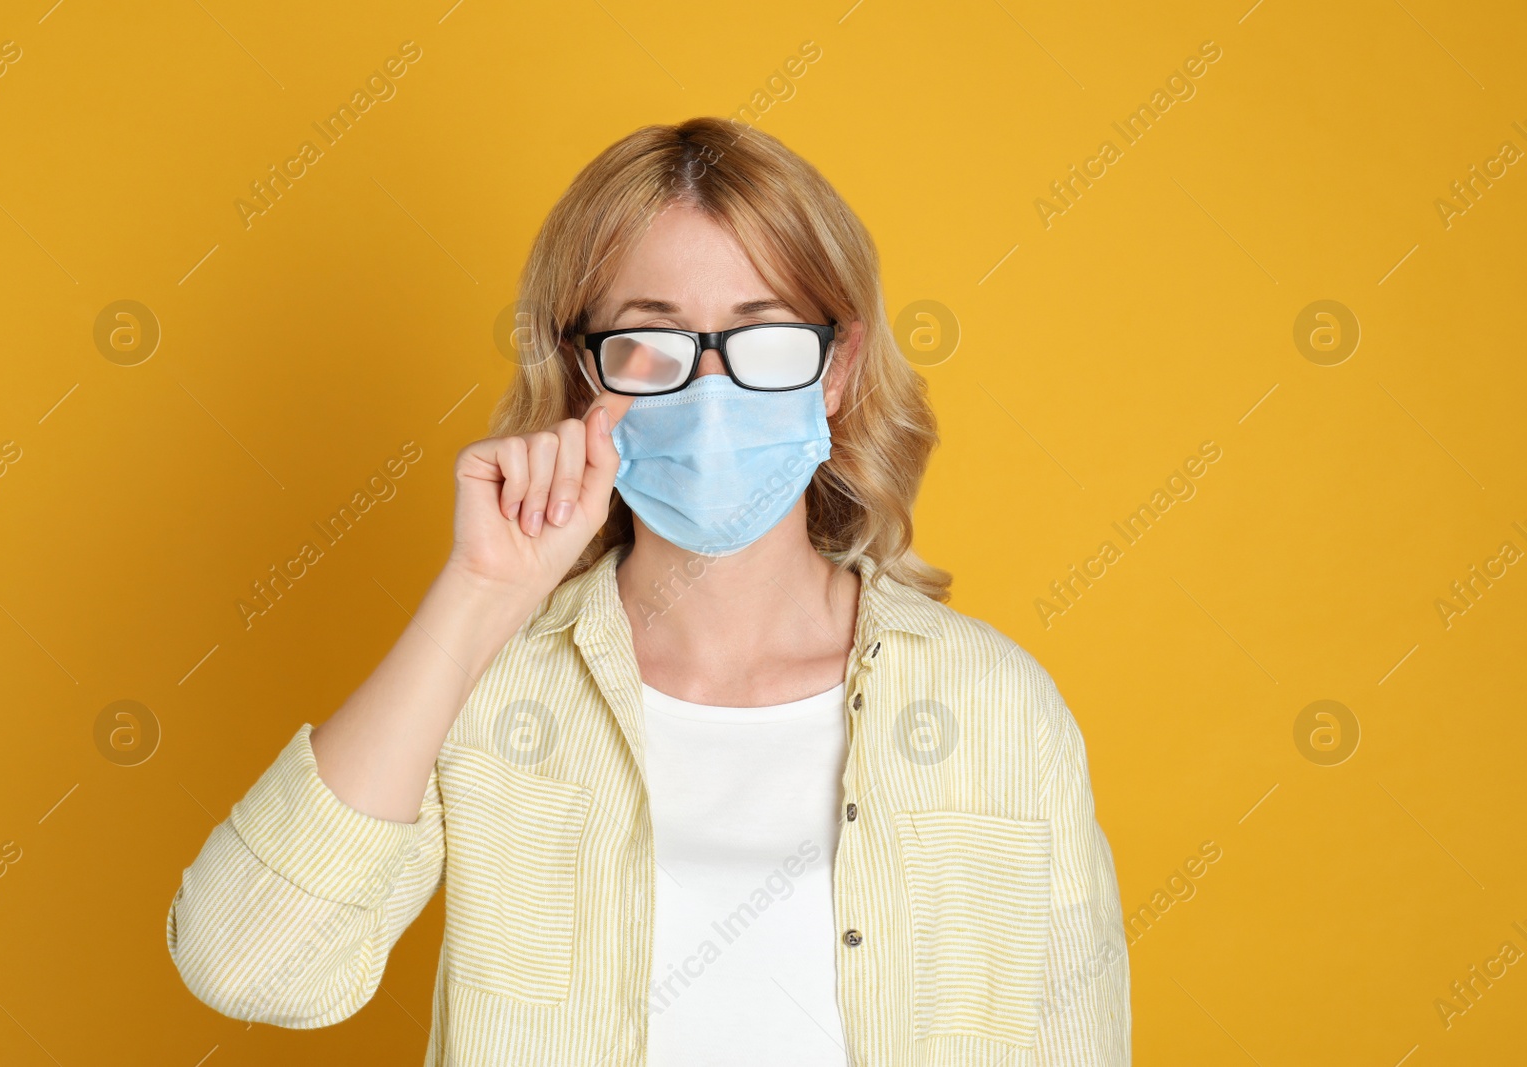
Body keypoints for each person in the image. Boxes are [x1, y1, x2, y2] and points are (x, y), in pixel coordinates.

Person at [167, 116, 1131, 1066]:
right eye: (651, 341)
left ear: (835, 368)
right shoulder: (494, 685)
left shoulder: (995, 706)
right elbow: (251, 968)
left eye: (765, 338)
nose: (712, 392)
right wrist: (477, 598)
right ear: (584, 369)